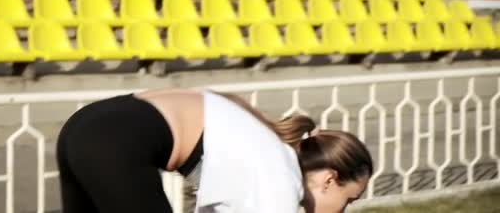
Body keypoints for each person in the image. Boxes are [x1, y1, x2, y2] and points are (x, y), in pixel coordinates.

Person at [56, 88, 373, 213]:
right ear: (330, 179)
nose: (343, 211)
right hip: (112, 140)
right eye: (349, 200)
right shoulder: (280, 172)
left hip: (83, 126)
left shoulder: (262, 154)